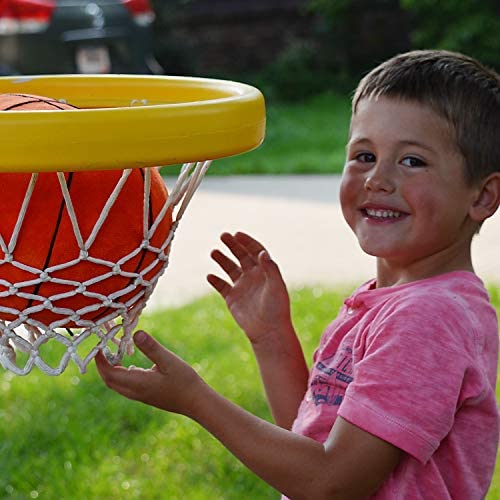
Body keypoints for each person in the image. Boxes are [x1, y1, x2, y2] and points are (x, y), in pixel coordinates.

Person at [95, 50, 500, 499]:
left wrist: (195, 399)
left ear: (482, 197)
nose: (377, 179)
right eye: (364, 155)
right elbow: (313, 437)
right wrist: (272, 338)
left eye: (412, 162)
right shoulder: (393, 302)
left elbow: (329, 482)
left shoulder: (428, 319)